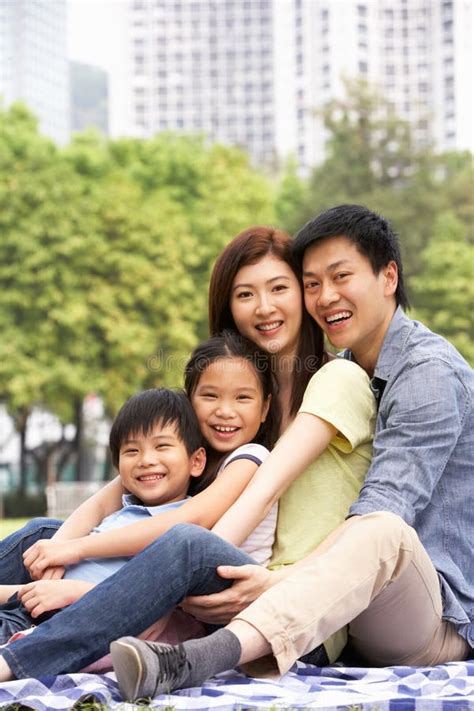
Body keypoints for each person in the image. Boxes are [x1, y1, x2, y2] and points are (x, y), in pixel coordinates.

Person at [107, 203, 473, 701]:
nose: (326, 297)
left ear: (388, 277)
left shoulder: (426, 373)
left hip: (433, 621)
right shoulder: (336, 375)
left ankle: (199, 660)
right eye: (313, 283)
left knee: (383, 527)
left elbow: (383, 511)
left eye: (341, 277)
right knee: (42, 536)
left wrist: (275, 583)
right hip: (347, 614)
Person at [0, 225, 376, 685]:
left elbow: (207, 527)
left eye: (280, 288)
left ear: (304, 293)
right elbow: (116, 491)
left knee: (181, 543)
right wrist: (63, 548)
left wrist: (107, 575)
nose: (264, 307)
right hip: (200, 582)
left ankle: (17, 662)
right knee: (41, 532)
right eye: (244, 294)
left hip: (285, 602)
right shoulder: (222, 404)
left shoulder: (331, 384)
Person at [0, 331, 276, 642]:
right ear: (189, 400)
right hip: (82, 596)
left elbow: (191, 523)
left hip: (194, 602)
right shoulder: (173, 454)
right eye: (210, 396)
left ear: (265, 408)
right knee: (42, 533)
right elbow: (101, 503)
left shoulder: (248, 458)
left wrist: (74, 550)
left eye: (242, 397)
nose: (225, 410)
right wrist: (53, 555)